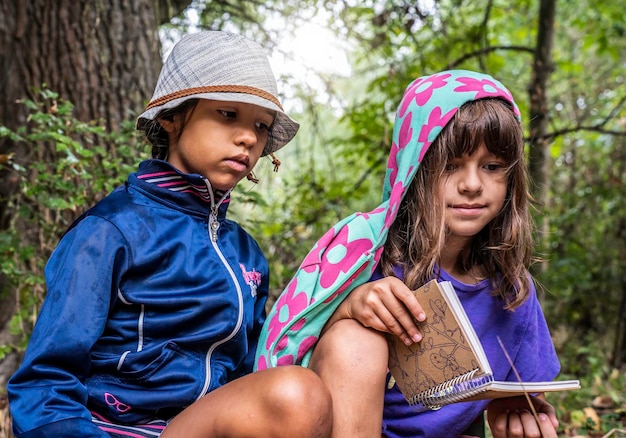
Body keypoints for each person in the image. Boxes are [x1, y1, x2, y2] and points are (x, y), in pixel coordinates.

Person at [7, 31, 335, 438]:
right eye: (228, 114)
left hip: (205, 426)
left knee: (300, 390)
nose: (249, 137)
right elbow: (45, 381)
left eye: (261, 125)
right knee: (295, 392)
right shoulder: (111, 231)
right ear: (172, 117)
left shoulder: (246, 253)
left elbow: (255, 373)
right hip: (115, 429)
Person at [255, 69, 563, 438]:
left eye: (492, 167)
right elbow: (291, 341)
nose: (471, 185)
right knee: (355, 338)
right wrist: (351, 305)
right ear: (415, 169)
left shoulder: (512, 289)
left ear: (511, 177)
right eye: (449, 166)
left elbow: (523, 397)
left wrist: (517, 413)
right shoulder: (366, 251)